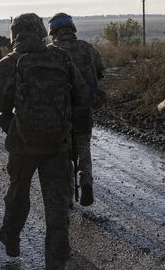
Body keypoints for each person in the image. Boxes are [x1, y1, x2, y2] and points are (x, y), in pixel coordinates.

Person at [0, 13, 89, 269]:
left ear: (15, 34)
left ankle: (11, 234)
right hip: (57, 144)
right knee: (56, 209)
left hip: (23, 144)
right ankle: (55, 263)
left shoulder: (7, 63)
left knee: (18, 194)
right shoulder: (62, 58)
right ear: (40, 32)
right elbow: (82, 95)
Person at [48, 12, 106, 206]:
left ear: (53, 31)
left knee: (63, 152)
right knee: (83, 147)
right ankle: (86, 180)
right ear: (72, 28)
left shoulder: (50, 52)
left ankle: (67, 192)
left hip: (59, 112)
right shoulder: (87, 48)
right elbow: (100, 71)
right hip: (83, 109)